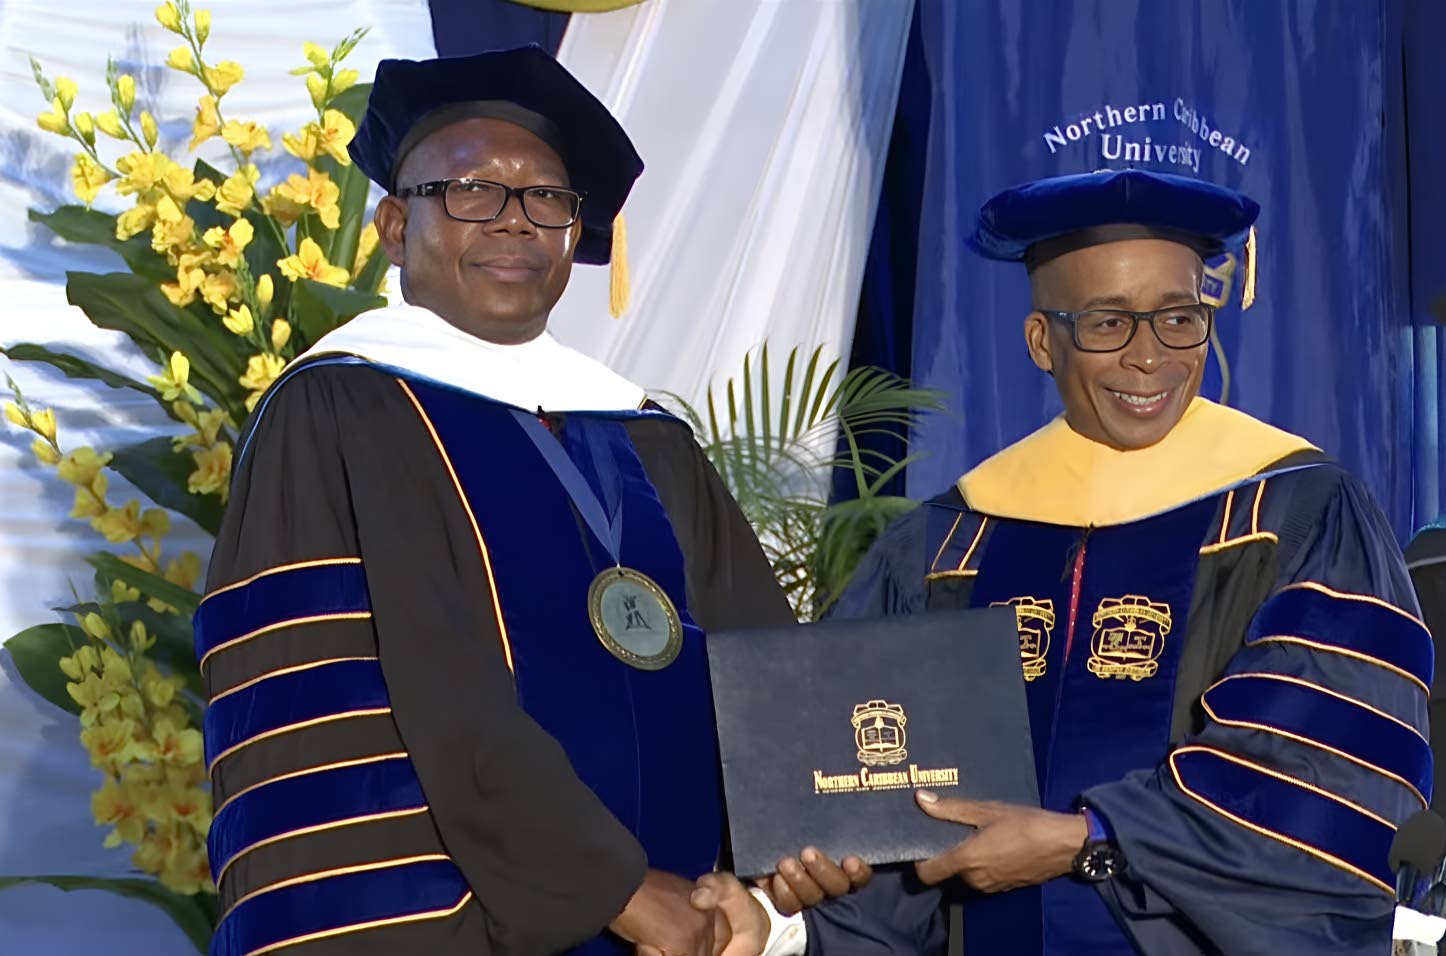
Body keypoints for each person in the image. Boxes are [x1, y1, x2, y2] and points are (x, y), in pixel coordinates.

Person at [193, 45, 863, 956]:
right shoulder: (339, 410)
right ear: (394, 227)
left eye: (546, 198)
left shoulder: (644, 433)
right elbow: (410, 682)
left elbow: (764, 664)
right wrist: (617, 891)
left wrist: (785, 865)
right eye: (471, 190)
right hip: (454, 929)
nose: (515, 220)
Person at [807, 168, 1433, 954]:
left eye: (1179, 318)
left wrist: (1090, 837)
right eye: (1108, 323)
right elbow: (870, 785)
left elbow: (1321, 777)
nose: (1149, 357)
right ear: (1043, 342)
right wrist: (813, 874)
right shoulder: (953, 537)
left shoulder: (1296, 512)